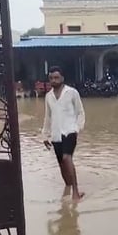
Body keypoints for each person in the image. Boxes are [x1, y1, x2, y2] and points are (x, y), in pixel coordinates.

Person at [42, 66, 86, 201]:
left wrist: (77, 129)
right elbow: (47, 117)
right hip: (56, 134)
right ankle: (67, 186)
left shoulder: (72, 93)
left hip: (70, 131)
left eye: (56, 78)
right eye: (51, 78)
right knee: (61, 163)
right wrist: (45, 135)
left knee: (67, 158)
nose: (53, 81)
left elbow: (80, 112)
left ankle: (76, 192)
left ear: (62, 78)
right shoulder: (48, 96)